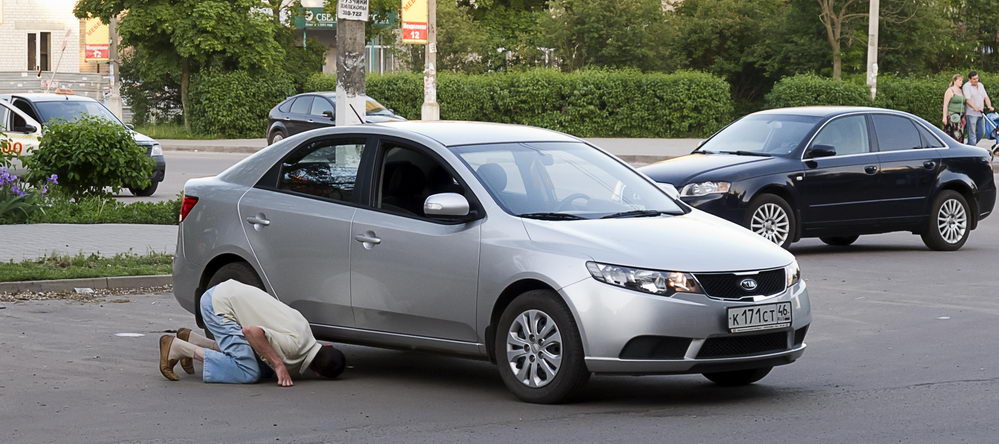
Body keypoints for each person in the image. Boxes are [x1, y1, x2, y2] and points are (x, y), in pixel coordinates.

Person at [158, 279, 346, 386]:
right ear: (318, 374)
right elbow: (251, 332)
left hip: (225, 292)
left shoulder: (306, 332)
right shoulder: (295, 348)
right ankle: (179, 347)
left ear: (327, 346)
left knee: (261, 366)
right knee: (248, 371)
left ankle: (192, 340)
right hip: (217, 306)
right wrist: (279, 364)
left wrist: (273, 362)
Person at [962, 71, 993, 146]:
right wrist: (976, 108)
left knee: (981, 132)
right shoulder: (966, 86)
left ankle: (969, 146)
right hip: (971, 113)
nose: (976, 80)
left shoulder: (980, 85)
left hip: (980, 113)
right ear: (969, 80)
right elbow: (967, 100)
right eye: (974, 79)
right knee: (972, 134)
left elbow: (986, 97)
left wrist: (989, 106)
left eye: (977, 78)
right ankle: (972, 151)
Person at [942, 74, 965, 142]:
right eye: (960, 80)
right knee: (953, 133)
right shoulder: (950, 90)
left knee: (961, 133)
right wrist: (944, 117)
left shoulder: (961, 91)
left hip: (961, 116)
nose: (961, 82)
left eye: (962, 80)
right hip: (953, 116)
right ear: (955, 81)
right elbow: (945, 105)